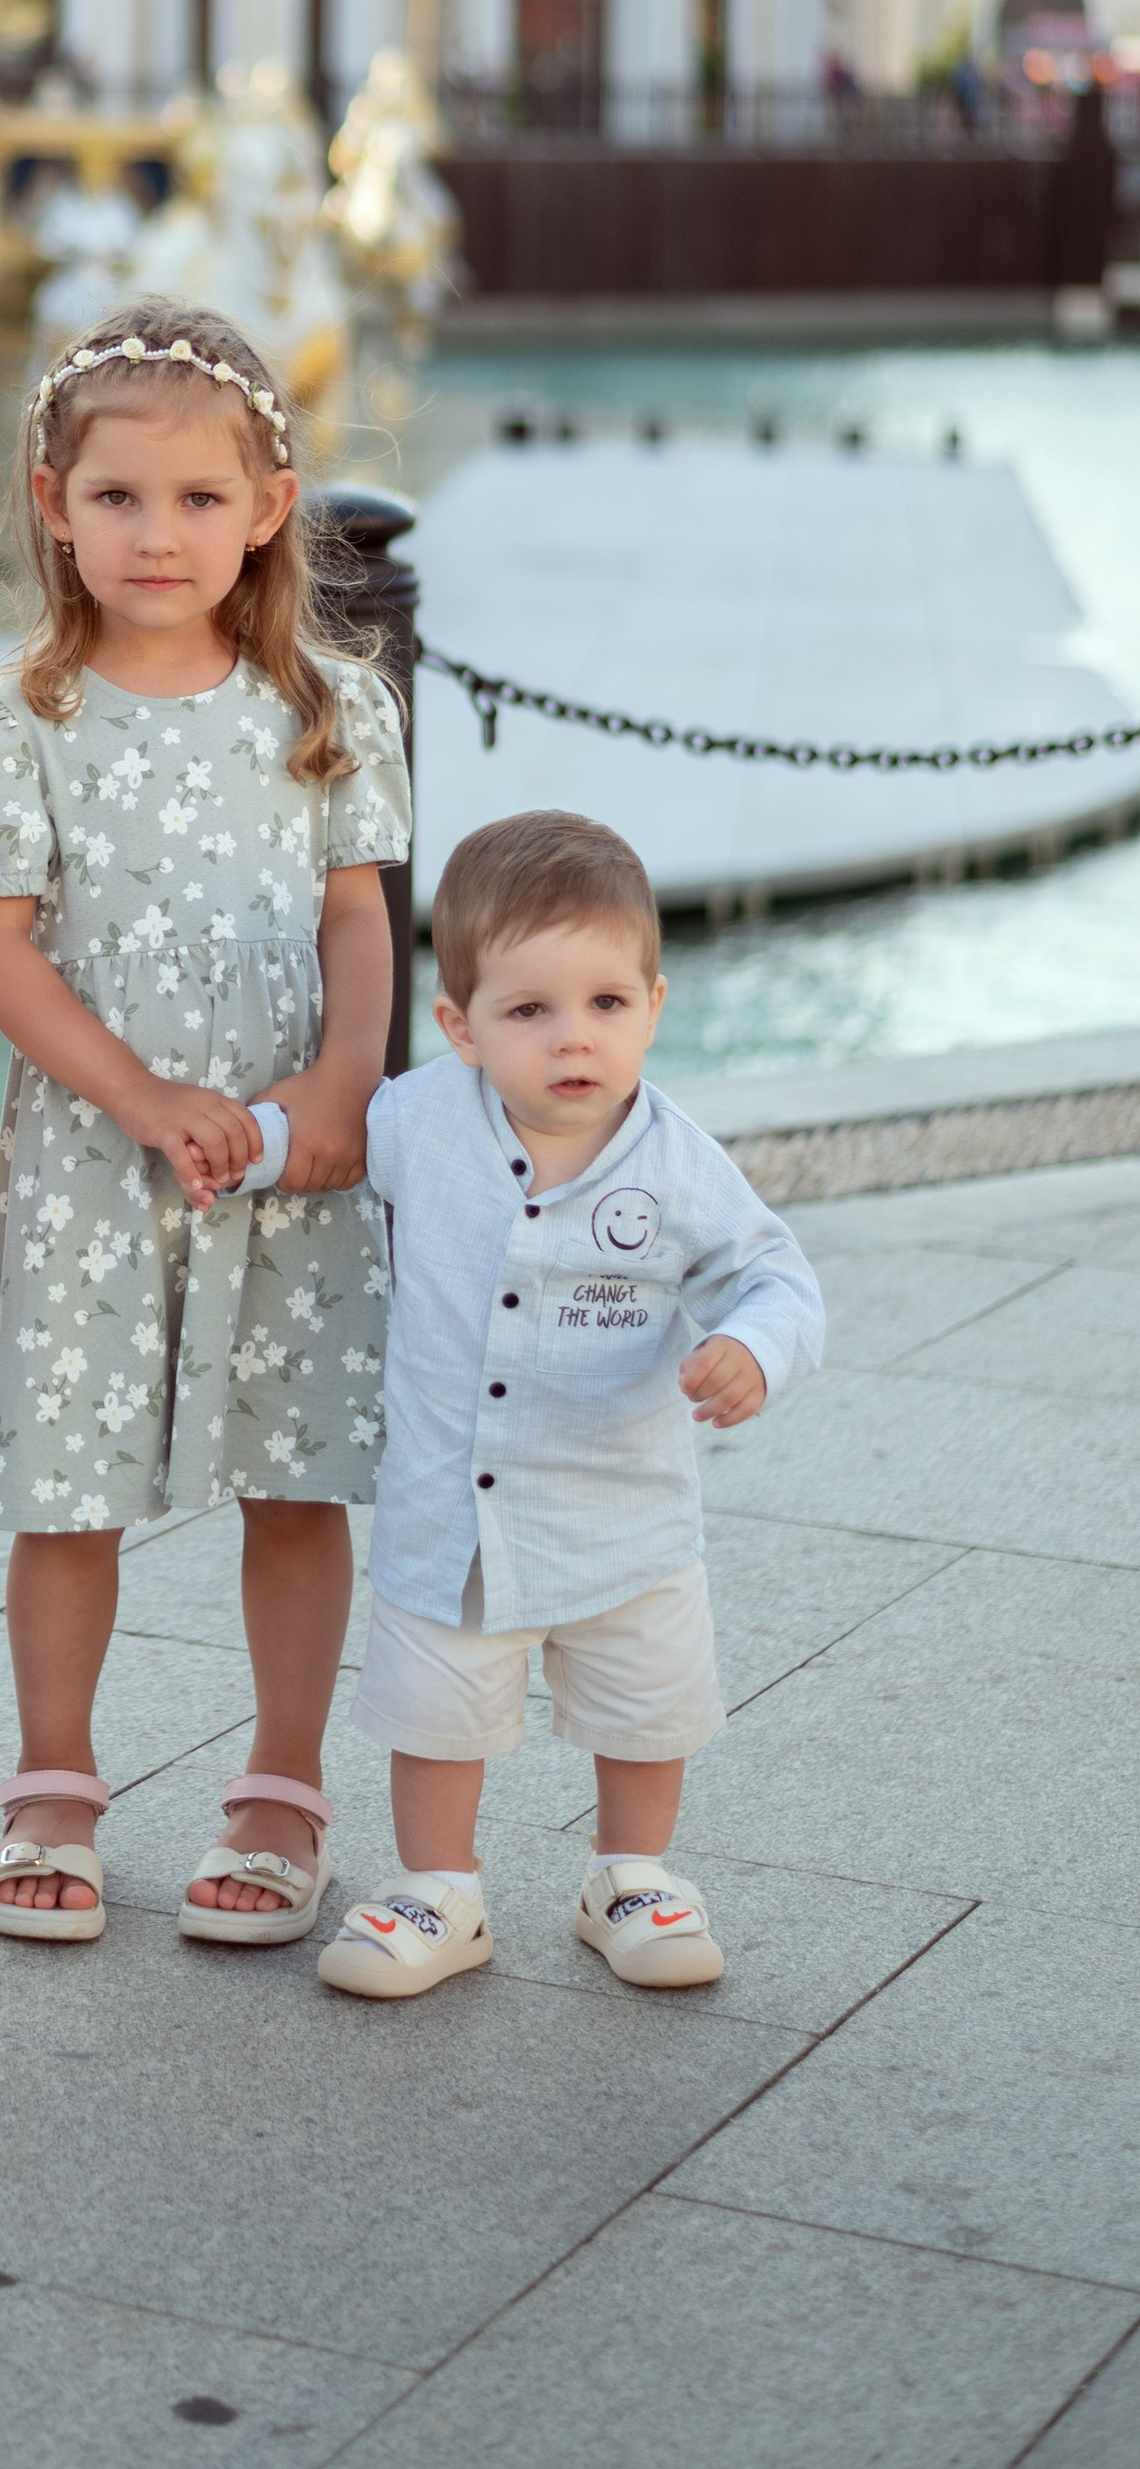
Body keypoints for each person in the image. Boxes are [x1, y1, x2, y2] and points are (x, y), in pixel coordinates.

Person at [0, 299, 408, 1948]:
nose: (159, 533)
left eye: (201, 499)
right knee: (72, 1487)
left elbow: (361, 919)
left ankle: (282, 1788)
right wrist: (137, 1096)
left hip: (289, 1149)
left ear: (269, 506)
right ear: (53, 501)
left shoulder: (331, 707)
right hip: (93, 1148)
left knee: (296, 1470)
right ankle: (51, 1782)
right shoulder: (13, 721)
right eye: (118, 496)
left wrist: (343, 1083)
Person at [317, 808, 824, 2002]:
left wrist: (753, 1344)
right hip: (454, 1513)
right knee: (437, 1709)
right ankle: (439, 1887)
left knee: (644, 1707)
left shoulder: (677, 1163)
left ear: (652, 1003)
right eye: (528, 1010)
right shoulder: (418, 1121)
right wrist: (231, 1139)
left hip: (622, 1513)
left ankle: (632, 1873)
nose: (572, 1038)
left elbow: (775, 1275)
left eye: (605, 1002)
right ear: (460, 1025)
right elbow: (318, 1145)